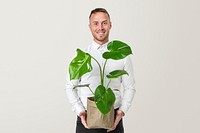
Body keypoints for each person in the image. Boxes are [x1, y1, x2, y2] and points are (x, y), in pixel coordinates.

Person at [65, 8, 136, 133]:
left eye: (104, 23)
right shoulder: (82, 56)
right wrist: (80, 111)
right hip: (86, 119)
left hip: (113, 119)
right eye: (96, 23)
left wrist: (121, 112)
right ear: (90, 26)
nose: (100, 27)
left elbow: (130, 87)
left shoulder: (121, 55)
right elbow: (70, 86)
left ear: (110, 25)